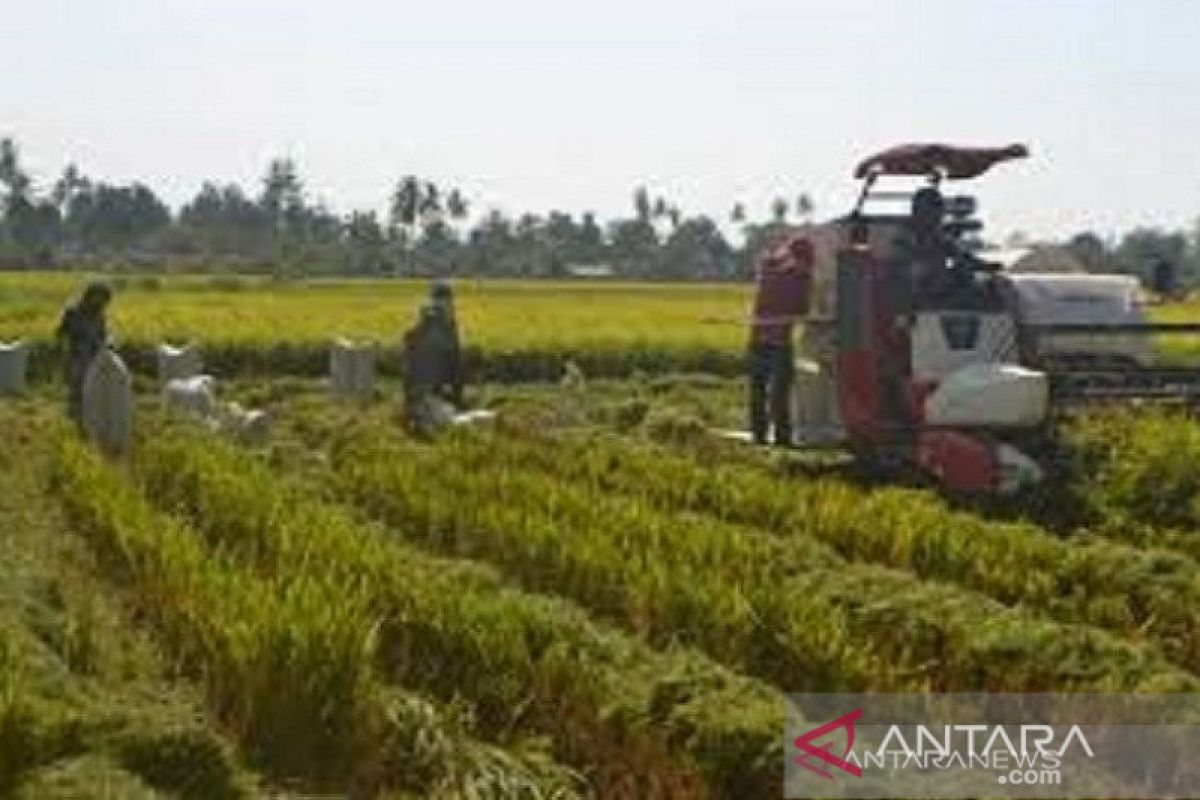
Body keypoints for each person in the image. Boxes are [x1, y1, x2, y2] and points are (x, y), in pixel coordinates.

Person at [748, 235, 812, 446]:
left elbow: (802, 310)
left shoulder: (773, 271)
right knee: (771, 391)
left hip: (768, 339)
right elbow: (801, 310)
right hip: (770, 340)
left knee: (770, 391)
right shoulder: (791, 277)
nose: (807, 267)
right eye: (804, 261)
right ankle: (772, 437)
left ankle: (771, 437)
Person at [402, 287, 463, 435]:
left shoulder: (436, 327)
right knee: (447, 421)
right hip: (426, 396)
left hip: (429, 395)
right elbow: (453, 365)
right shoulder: (439, 329)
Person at [56, 281, 112, 426]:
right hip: (76, 355)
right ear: (89, 295)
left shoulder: (99, 315)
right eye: (98, 296)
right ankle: (75, 418)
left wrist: (107, 343)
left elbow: (103, 335)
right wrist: (66, 349)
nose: (100, 301)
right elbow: (61, 333)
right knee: (77, 387)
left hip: (94, 355)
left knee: (93, 387)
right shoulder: (73, 312)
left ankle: (90, 416)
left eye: (104, 299)